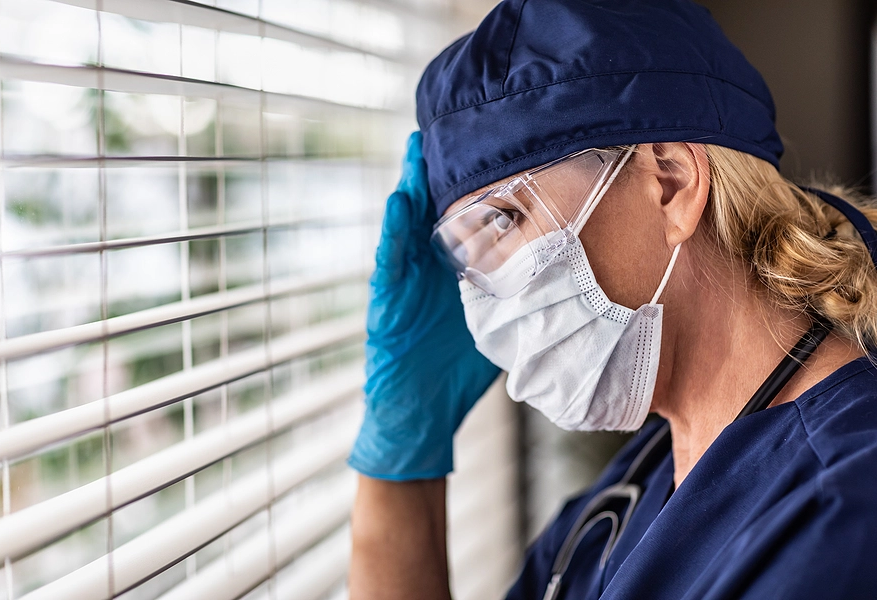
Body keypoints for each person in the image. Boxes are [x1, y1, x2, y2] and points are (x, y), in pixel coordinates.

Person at [346, 1, 877, 598]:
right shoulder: (627, 497)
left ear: (670, 183)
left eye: (502, 221)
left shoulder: (839, 514)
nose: (482, 300)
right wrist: (402, 459)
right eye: (466, 257)